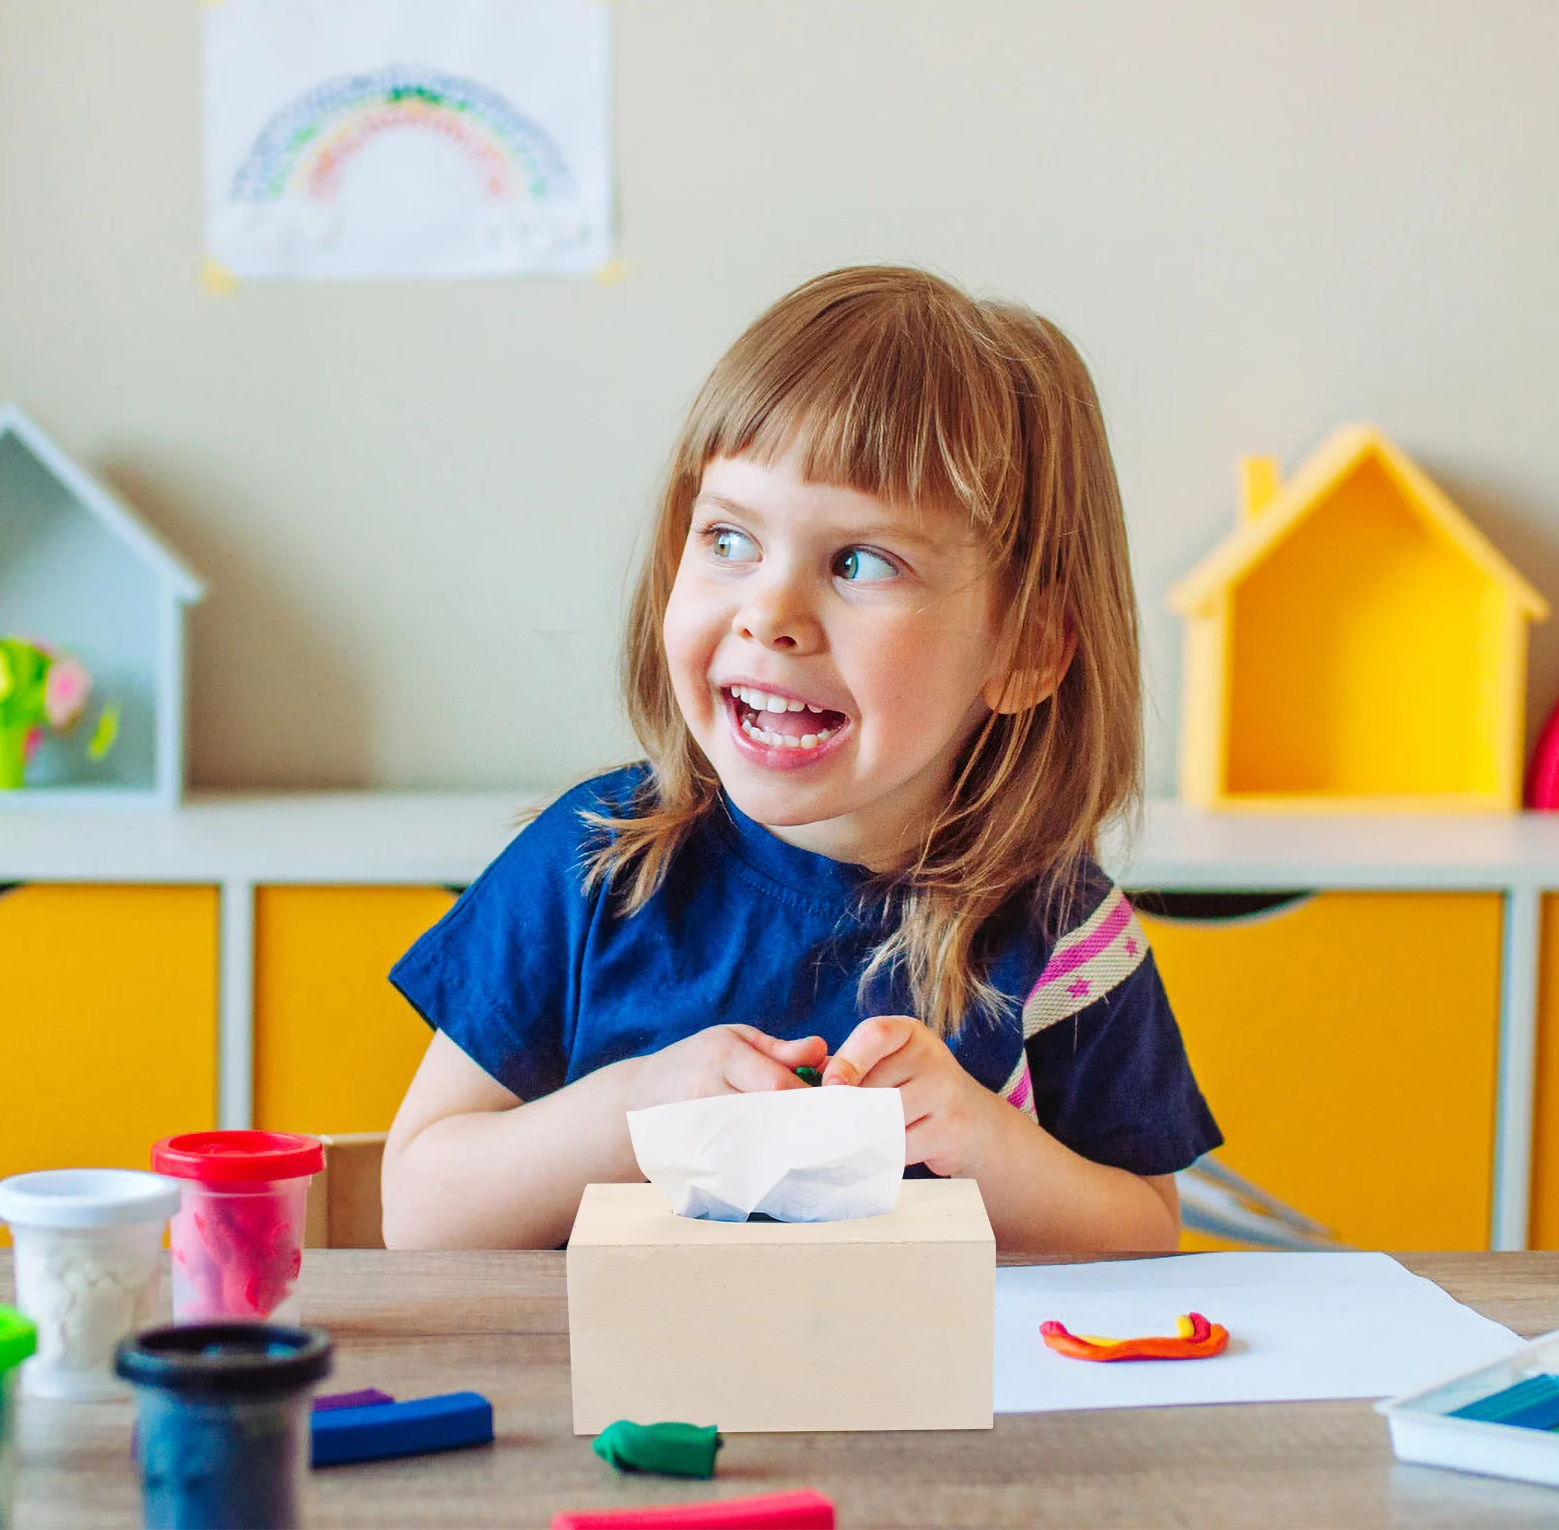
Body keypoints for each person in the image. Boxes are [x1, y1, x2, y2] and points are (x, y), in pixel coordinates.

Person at [381, 265, 1220, 1252]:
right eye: (729, 537)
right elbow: (420, 1213)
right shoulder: (589, 865)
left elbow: (1143, 1232)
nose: (769, 614)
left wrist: (985, 1146)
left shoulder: (1063, 933)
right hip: (621, 1397)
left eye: (861, 562)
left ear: (1025, 647)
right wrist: (637, 1109)